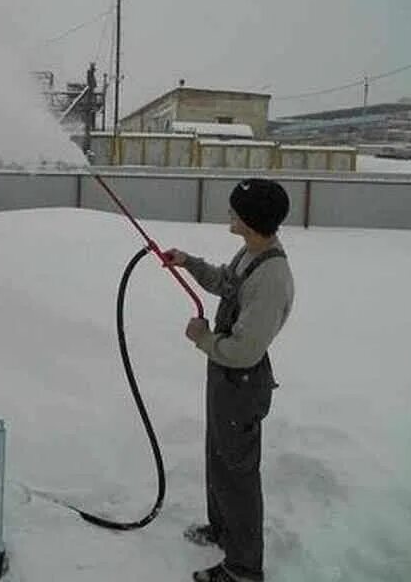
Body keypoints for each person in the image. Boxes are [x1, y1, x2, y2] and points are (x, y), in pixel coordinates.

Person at [164, 178, 294, 582]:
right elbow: (225, 282)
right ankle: (223, 530)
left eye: (235, 210)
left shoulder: (271, 278)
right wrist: (188, 262)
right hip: (226, 378)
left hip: (241, 380)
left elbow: (244, 350)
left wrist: (202, 337)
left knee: (236, 474)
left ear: (250, 221)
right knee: (219, 459)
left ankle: (242, 568)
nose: (230, 214)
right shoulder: (252, 252)